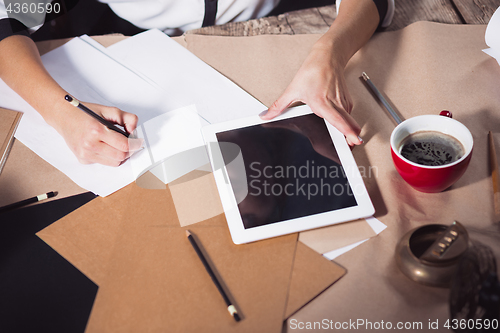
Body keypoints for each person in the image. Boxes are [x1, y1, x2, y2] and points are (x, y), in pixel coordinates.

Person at [0, 0, 394, 166]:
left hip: (277, 23)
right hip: (149, 47)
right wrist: (61, 111)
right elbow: (9, 21)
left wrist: (330, 52)